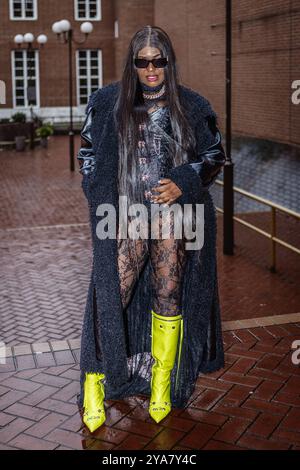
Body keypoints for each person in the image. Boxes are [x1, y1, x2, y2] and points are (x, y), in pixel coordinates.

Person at [76, 25, 226, 433]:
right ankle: (94, 379)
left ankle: (162, 381)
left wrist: (185, 179)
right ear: (133, 63)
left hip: (174, 218)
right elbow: (88, 153)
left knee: (169, 291)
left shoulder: (192, 105)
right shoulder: (108, 101)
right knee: (111, 292)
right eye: (142, 61)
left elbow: (214, 154)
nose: (151, 68)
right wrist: (98, 192)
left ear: (168, 61)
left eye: (158, 61)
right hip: (123, 217)